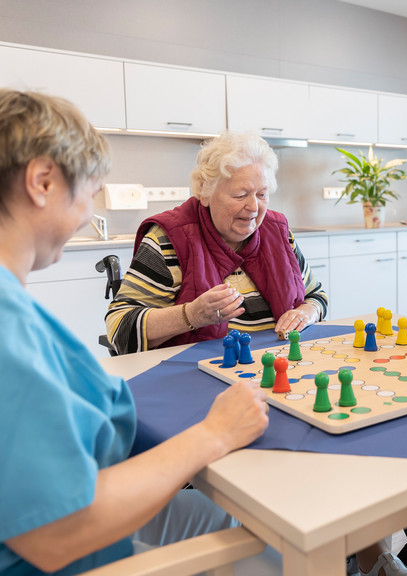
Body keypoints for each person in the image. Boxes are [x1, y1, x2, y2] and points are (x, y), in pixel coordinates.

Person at [0, 89, 281, 574]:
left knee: (263, 523)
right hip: (73, 550)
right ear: (42, 181)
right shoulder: (9, 329)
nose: (90, 213)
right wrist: (213, 435)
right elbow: (54, 534)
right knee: (285, 555)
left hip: (92, 507)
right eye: (89, 190)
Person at [105, 132, 328, 354]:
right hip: (196, 375)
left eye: (262, 194)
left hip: (277, 368)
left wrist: (308, 312)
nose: (254, 207)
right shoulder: (169, 238)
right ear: (205, 192)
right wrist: (191, 315)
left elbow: (316, 296)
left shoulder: (278, 231)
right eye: (240, 195)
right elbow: (119, 328)